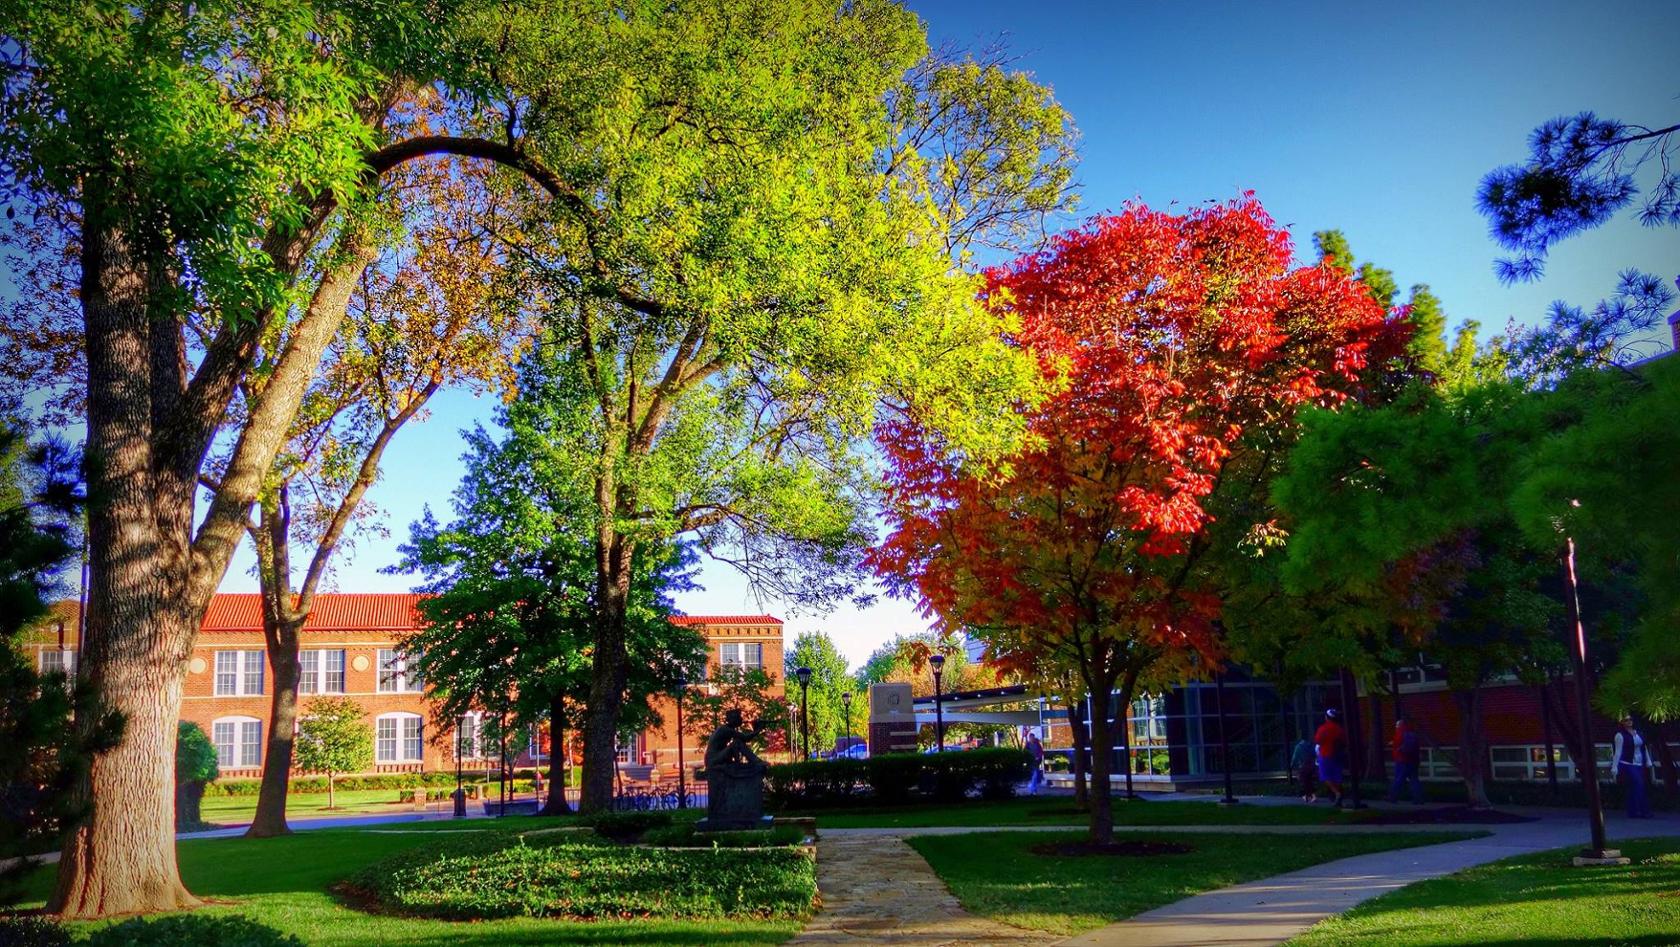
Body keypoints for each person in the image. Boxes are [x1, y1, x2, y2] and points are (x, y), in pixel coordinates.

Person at [1614, 716, 1654, 819]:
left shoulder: (1639, 733)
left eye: (1630, 719)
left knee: (1635, 787)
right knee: (1639, 784)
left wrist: (1648, 761)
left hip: (1640, 763)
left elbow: (1643, 747)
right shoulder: (1620, 735)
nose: (1629, 722)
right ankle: (1643, 811)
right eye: (1626, 720)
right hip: (1628, 764)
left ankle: (1633, 811)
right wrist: (1615, 766)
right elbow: (1618, 752)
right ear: (1622, 722)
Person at [1314, 709, 1347, 807]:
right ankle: (1338, 797)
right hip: (1338, 754)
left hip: (1326, 754)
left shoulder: (1323, 728)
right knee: (1337, 776)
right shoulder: (1339, 729)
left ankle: (1337, 793)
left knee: (1325, 776)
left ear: (1327, 717)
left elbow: (1317, 740)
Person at [1387, 716, 1423, 804]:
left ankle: (1392, 797)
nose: (1396, 727)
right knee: (1414, 780)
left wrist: (1395, 746)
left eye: (1397, 726)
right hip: (1413, 761)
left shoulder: (1399, 733)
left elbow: (1398, 745)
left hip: (1402, 760)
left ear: (1400, 726)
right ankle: (1418, 799)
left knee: (1398, 779)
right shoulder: (1413, 734)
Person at [1290, 736, 1317, 803]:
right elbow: (1315, 754)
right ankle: (1309, 795)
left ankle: (1309, 795)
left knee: (1304, 781)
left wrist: (1292, 765)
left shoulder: (1298, 747)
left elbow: (1294, 757)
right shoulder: (1311, 746)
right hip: (1311, 765)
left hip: (1302, 766)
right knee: (1308, 780)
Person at [1025, 730, 1046, 795]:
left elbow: (1041, 752)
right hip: (1030, 762)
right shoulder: (1027, 745)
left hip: (1036, 762)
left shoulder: (1037, 744)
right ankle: (1033, 789)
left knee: (1035, 775)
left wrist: (1038, 757)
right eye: (1031, 738)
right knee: (1032, 775)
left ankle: (1033, 789)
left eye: (1033, 738)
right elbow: (1025, 752)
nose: (1032, 739)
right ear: (1029, 738)